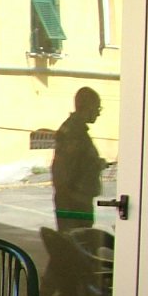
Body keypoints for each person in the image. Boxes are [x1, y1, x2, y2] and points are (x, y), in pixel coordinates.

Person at [51, 86, 105, 232]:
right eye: (97, 108)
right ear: (87, 107)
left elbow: (78, 162)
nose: (98, 113)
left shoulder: (76, 129)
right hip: (74, 202)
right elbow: (66, 170)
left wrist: (96, 163)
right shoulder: (74, 132)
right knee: (76, 242)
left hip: (75, 200)